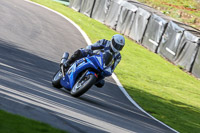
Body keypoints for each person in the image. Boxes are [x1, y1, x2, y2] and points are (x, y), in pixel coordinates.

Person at [61, 34, 125, 87]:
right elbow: (92, 46)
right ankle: (67, 62)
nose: (117, 47)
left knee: (101, 83)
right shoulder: (104, 42)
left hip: (102, 67)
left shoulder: (118, 56)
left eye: (120, 47)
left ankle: (87, 81)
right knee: (80, 52)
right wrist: (89, 50)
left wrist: (109, 71)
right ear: (112, 41)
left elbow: (113, 67)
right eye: (116, 45)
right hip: (93, 56)